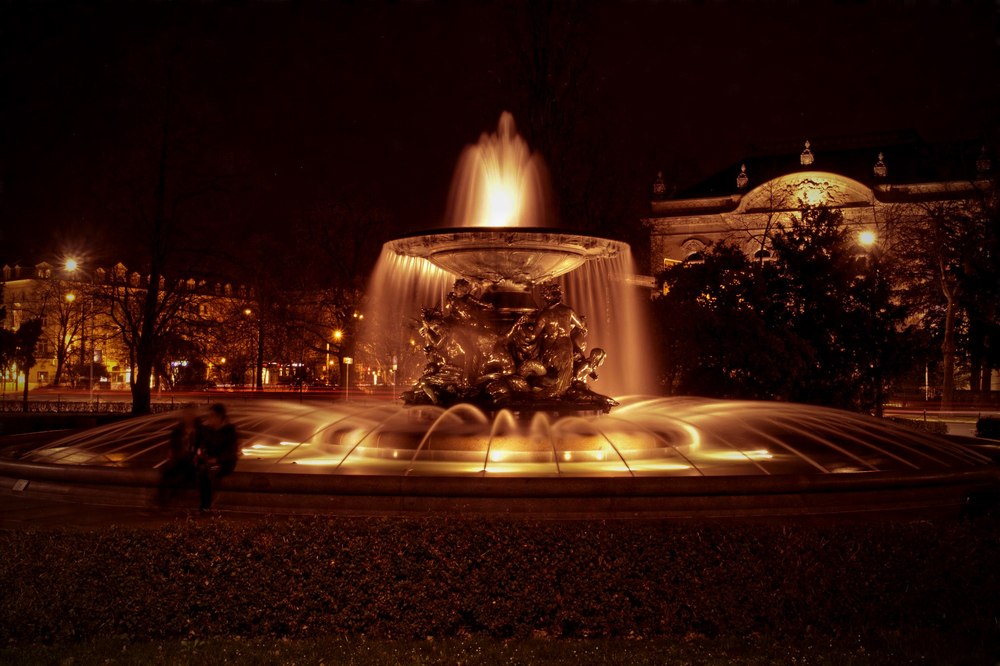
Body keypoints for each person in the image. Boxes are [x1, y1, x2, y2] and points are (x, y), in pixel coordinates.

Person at [195, 403, 240, 512]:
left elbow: (231, 452)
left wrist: (216, 459)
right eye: (209, 415)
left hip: (225, 463)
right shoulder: (207, 430)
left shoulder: (229, 431)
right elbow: (200, 445)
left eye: (211, 416)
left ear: (219, 417)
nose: (209, 418)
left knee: (209, 472)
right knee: (201, 469)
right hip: (210, 462)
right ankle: (205, 505)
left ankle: (206, 505)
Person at [158, 404, 202, 505]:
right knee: (167, 473)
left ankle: (173, 501)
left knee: (182, 474)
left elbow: (202, 447)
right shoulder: (178, 431)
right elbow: (173, 446)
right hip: (180, 460)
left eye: (190, 414)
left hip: (194, 462)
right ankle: (163, 502)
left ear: (194, 416)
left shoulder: (200, 430)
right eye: (186, 414)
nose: (188, 417)